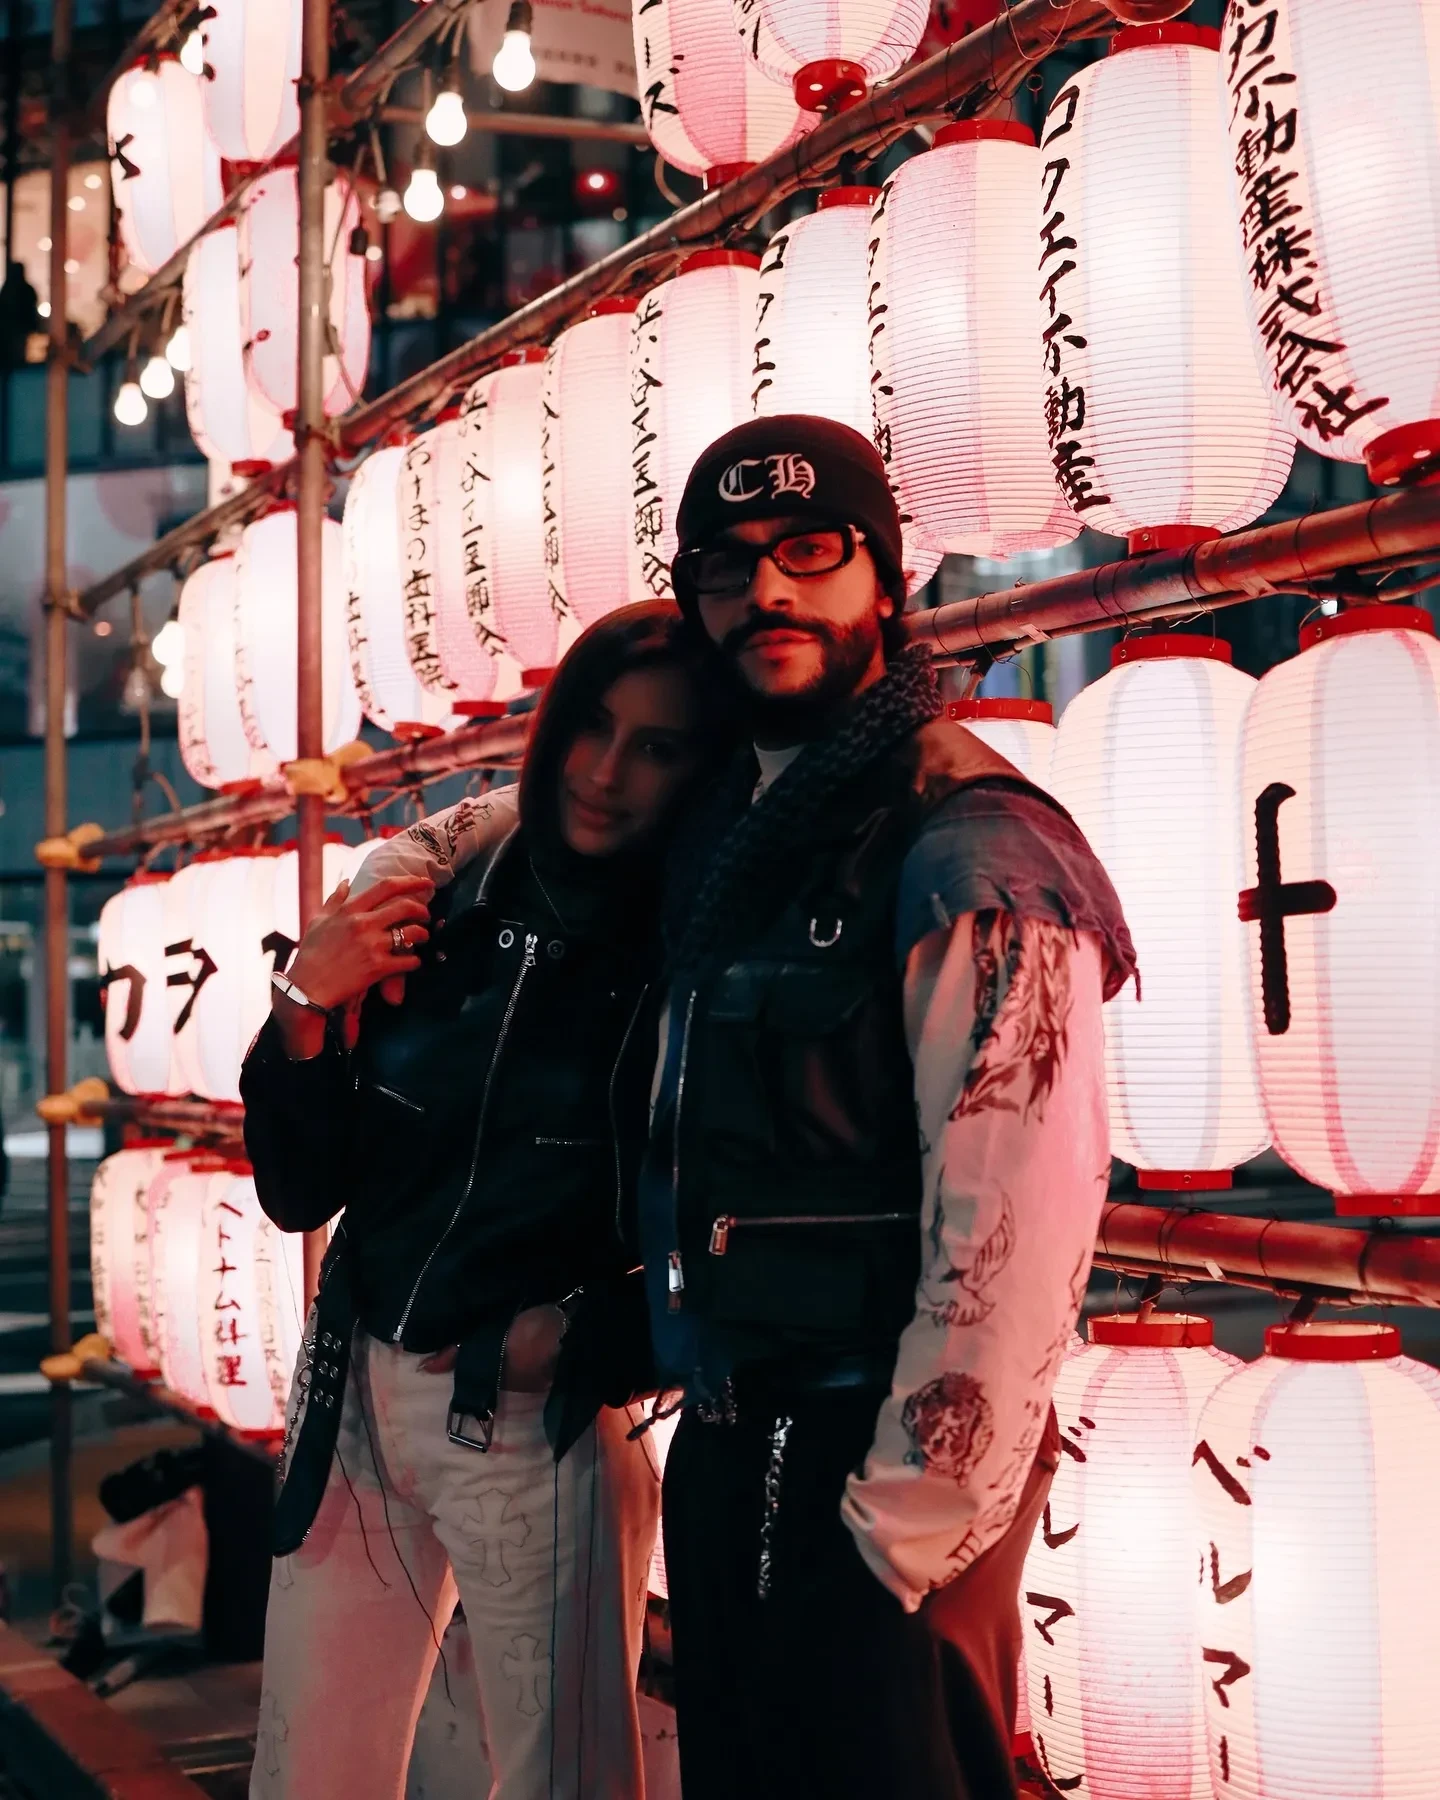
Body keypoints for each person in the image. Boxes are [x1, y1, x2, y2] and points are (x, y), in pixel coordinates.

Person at [646, 414, 1135, 1800]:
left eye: (810, 550)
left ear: (889, 576)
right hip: (734, 1440)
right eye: (727, 564)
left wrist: (901, 1531)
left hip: (877, 1474)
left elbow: (1016, 1226)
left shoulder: (965, 839)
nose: (768, 591)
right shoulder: (732, 830)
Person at [240, 601, 735, 1800]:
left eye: (657, 746)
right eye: (592, 727)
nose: (605, 773)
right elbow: (301, 1190)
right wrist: (304, 1007)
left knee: (567, 1781)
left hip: (537, 1417)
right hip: (355, 1386)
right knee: (306, 1771)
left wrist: (599, 1338)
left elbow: (733, 1201)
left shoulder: (700, 939)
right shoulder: (449, 885)